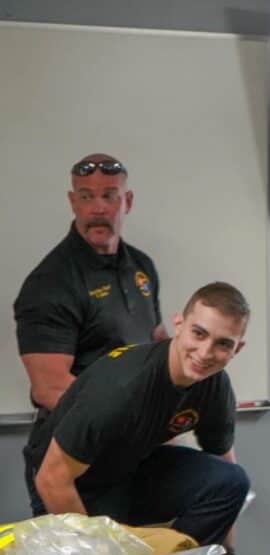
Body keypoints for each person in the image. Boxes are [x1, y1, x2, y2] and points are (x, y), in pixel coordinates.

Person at [24, 282, 252, 555]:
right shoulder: (122, 388)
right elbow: (51, 478)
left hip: (129, 468)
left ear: (237, 349)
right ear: (178, 325)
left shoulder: (214, 387)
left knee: (231, 481)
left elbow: (225, 464)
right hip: (70, 483)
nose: (205, 353)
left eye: (223, 344)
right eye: (199, 334)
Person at [15, 154, 168, 509]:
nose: (98, 208)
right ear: (73, 202)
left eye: (109, 195)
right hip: (71, 458)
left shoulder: (141, 266)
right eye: (86, 196)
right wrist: (134, 424)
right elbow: (51, 388)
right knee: (89, 549)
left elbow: (156, 343)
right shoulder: (50, 282)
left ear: (127, 201)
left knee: (221, 485)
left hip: (132, 452)